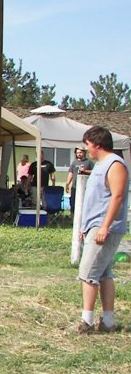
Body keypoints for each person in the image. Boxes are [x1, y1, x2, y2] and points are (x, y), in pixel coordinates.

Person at [76, 126, 129, 334]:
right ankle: (108, 321)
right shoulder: (99, 165)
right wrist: (85, 226)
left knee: (88, 273)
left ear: (97, 144)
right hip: (94, 225)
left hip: (105, 226)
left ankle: (86, 321)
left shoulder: (115, 165)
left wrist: (105, 226)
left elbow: (117, 196)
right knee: (105, 273)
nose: (86, 149)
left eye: (88, 145)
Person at [66, 146, 94, 216]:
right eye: (77, 153)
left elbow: (94, 171)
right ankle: (72, 217)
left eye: (80, 152)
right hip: (75, 186)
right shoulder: (74, 162)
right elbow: (71, 173)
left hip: (86, 187)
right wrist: (67, 184)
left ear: (84, 153)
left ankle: (84, 216)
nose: (79, 154)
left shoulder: (89, 162)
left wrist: (85, 171)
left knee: (84, 202)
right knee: (73, 202)